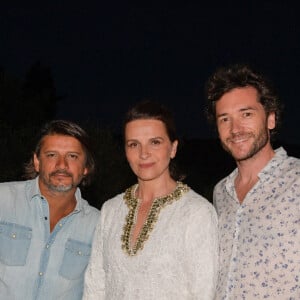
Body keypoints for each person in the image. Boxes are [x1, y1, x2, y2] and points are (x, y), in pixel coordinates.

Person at [83, 100, 218, 299]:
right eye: (133, 144)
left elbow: (204, 293)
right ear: (126, 151)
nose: (144, 153)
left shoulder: (197, 212)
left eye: (155, 142)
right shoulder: (111, 210)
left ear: (173, 148)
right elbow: (94, 286)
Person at [205, 64, 300, 300]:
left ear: (270, 119)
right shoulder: (220, 192)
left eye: (246, 114)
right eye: (225, 119)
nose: (235, 129)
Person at [0, 120, 100, 300]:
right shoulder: (3, 200)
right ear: (37, 162)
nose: (62, 165)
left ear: (86, 167)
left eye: (72, 156)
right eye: (52, 155)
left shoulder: (98, 225)